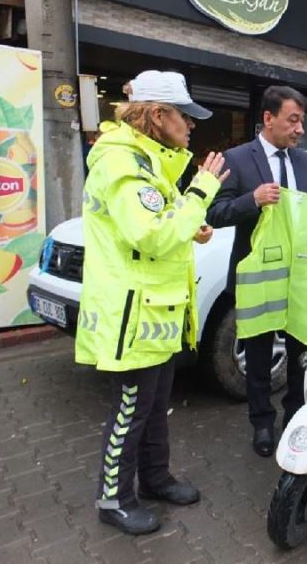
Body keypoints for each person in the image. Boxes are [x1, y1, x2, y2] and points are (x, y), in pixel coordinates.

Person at [75, 70, 228, 535]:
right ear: (158, 115)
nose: (191, 125)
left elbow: (159, 222)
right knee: (132, 409)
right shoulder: (123, 164)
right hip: (132, 314)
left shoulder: (149, 163)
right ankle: (114, 501)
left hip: (153, 313)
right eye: (185, 116)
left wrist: (191, 223)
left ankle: (156, 479)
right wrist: (200, 192)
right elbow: (152, 234)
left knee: (154, 405)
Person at [206, 85, 307, 458]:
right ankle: (262, 424)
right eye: (293, 120)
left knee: (299, 355)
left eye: (302, 122)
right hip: (260, 280)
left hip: (299, 279)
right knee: (259, 359)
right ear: (268, 118)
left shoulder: (305, 162)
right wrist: (253, 200)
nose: (300, 130)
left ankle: (294, 415)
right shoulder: (237, 158)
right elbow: (214, 213)